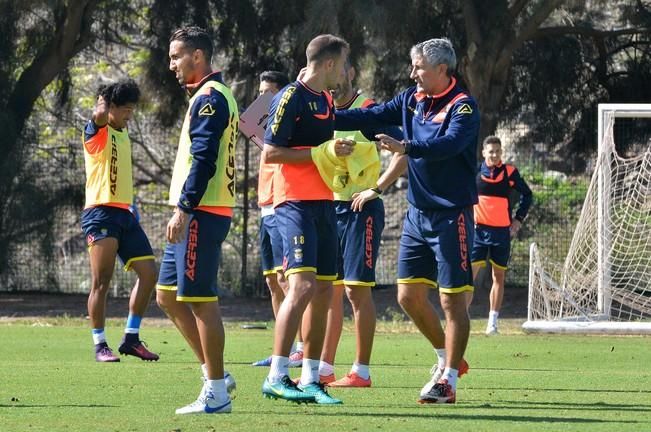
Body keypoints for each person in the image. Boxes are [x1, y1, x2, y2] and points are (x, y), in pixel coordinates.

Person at [335, 38, 479, 404]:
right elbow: (371, 116)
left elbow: (449, 145)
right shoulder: (411, 99)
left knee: (452, 303)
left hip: (452, 216)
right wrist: (324, 116)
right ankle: (448, 358)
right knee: (408, 296)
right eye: (412, 66)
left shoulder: (463, 107)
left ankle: (447, 381)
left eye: (418, 67)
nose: (412, 73)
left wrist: (407, 148)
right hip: (417, 215)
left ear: (442, 70)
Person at [261, 34, 353, 405]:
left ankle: (311, 378)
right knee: (299, 287)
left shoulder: (326, 99)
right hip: (294, 204)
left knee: (323, 292)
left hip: (324, 203)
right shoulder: (290, 97)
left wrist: (339, 155)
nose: (347, 72)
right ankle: (276, 375)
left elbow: (322, 152)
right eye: (344, 63)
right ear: (329, 64)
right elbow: (271, 152)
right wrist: (321, 152)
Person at [155, 26, 237, 415]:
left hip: (202, 212)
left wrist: (184, 208)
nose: (171, 64)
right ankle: (214, 372)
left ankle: (217, 393)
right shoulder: (206, 96)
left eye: (176, 56)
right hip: (196, 211)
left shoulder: (209, 98)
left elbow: (203, 160)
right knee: (167, 295)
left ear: (198, 56)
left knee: (201, 301)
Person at [317, 61, 400, 388]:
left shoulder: (369, 110)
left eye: (339, 72)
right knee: (328, 291)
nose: (333, 81)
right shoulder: (322, 111)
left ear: (350, 73)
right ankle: (324, 368)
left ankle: (361, 371)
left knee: (355, 290)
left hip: (360, 211)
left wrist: (376, 188)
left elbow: (402, 153)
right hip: (329, 209)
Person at [81, 79, 160, 363]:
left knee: (149, 273)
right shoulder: (96, 132)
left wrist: (132, 206)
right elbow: (98, 118)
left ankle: (131, 338)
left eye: (132, 109)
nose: (130, 115)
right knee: (101, 281)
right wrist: (101, 108)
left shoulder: (124, 134)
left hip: (125, 214)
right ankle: (100, 344)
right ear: (111, 106)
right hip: (100, 214)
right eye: (125, 109)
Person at [252, 71, 305, 368]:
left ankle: (298, 348)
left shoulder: (289, 121)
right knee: (273, 281)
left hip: (282, 204)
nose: (263, 99)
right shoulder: (264, 125)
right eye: (260, 93)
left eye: (268, 92)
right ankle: (281, 348)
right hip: (264, 205)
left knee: (288, 280)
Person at [469, 135, 532, 335]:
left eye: (497, 151)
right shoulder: (475, 170)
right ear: (484, 152)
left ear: (501, 152)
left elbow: (527, 194)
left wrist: (518, 220)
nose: (494, 154)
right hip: (478, 231)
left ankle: (492, 323)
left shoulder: (510, 172)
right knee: (468, 277)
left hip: (501, 233)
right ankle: (461, 318)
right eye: (491, 151)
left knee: (499, 276)